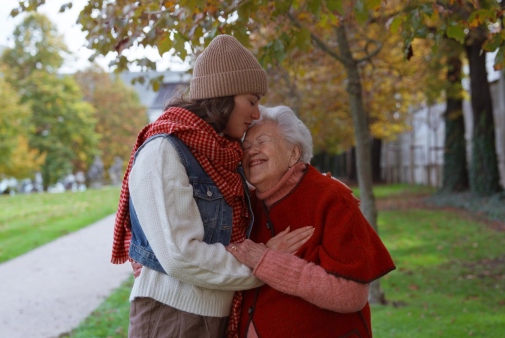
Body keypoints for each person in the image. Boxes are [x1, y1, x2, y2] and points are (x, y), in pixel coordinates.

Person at [110, 35, 312, 338]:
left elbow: (263, 195)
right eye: (252, 101)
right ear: (225, 95)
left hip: (212, 313)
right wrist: (262, 263)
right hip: (173, 317)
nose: (256, 114)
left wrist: (321, 189)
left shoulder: (219, 156)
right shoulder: (164, 151)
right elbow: (180, 255)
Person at [226, 105, 396, 338]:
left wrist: (267, 261)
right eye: (246, 146)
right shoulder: (244, 202)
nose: (252, 151)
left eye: (262, 142)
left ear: (294, 153)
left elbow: (352, 294)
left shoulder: (331, 197)